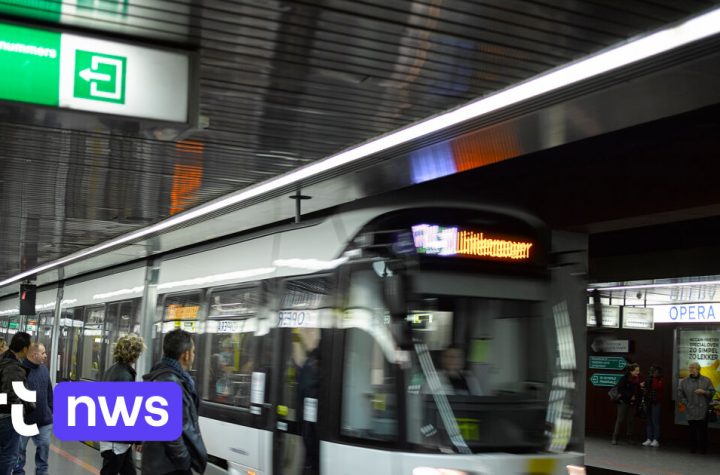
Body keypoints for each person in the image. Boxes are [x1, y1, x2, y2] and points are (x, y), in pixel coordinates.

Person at [141, 330, 207, 475]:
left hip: (162, 465)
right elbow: (170, 434)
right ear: (186, 355)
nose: (194, 356)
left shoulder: (165, 376)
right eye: (193, 352)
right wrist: (184, 462)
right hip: (167, 468)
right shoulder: (168, 382)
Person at [100, 334, 146, 475]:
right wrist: (138, 439)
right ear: (134, 354)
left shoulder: (112, 370)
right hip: (116, 441)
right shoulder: (125, 377)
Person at [13, 343, 53, 475]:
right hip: (23, 422)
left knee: (43, 451)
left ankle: (42, 473)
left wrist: (50, 410)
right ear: (34, 355)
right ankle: (18, 472)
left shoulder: (44, 370)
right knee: (19, 452)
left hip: (43, 421)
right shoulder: (19, 371)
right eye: (43, 353)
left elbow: (49, 392)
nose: (45, 356)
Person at [0, 332, 33, 475]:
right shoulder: (13, 367)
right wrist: (24, 408)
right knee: (9, 455)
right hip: (8, 416)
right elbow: (10, 394)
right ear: (24, 349)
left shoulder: (3, 359)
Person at [678, 361, 715, 453]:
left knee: (703, 431)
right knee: (692, 431)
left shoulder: (706, 380)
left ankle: (703, 449)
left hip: (703, 410)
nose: (690, 369)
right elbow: (680, 394)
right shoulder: (684, 381)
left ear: (698, 369)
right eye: (690, 368)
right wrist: (686, 403)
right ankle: (693, 448)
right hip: (690, 409)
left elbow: (712, 392)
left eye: (692, 367)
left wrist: (704, 392)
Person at [611, 363, 641, 445]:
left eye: (638, 370)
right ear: (631, 371)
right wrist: (630, 396)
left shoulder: (637, 379)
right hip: (623, 402)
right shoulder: (624, 379)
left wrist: (640, 388)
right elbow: (620, 390)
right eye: (636, 371)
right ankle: (615, 437)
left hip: (633, 402)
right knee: (620, 419)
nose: (638, 372)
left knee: (631, 420)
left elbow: (637, 390)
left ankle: (629, 438)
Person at [641, 365, 664, 448]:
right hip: (648, 401)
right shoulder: (648, 378)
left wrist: (651, 380)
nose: (653, 373)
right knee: (648, 421)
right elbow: (645, 388)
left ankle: (655, 439)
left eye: (654, 371)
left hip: (656, 402)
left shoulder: (660, 379)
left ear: (658, 372)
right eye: (652, 371)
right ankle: (649, 438)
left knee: (655, 421)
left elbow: (657, 387)